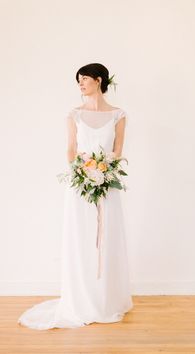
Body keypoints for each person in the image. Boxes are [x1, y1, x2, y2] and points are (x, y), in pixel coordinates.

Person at [17, 63, 133, 330]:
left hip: (107, 184)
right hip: (80, 185)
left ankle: (106, 299)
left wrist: (103, 171)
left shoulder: (119, 115)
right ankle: (81, 300)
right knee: (80, 238)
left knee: (107, 238)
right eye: (78, 80)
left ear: (99, 80)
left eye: (84, 79)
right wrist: (85, 172)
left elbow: (117, 151)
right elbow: (70, 150)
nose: (80, 84)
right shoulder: (74, 115)